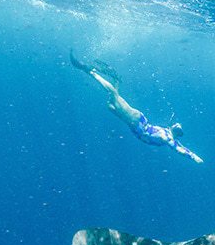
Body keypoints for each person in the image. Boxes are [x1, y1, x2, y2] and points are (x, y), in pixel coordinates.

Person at [70, 51, 204, 163]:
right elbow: (179, 148)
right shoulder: (167, 135)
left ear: (176, 132)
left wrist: (193, 156)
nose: (175, 124)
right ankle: (91, 72)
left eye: (176, 126)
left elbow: (179, 149)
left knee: (111, 105)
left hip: (136, 122)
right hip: (136, 121)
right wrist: (193, 156)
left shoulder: (168, 138)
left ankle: (114, 79)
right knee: (113, 96)